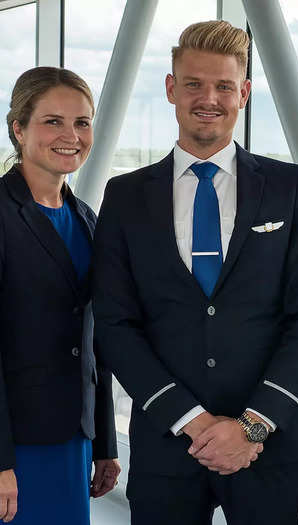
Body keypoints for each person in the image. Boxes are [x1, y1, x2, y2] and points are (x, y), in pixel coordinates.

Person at [92, 20, 298, 525]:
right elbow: (116, 324)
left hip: (269, 446)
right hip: (165, 445)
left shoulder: (289, 187)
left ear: (243, 93)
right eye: (195, 83)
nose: (210, 98)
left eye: (224, 86)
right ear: (171, 88)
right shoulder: (126, 196)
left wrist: (252, 426)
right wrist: (193, 421)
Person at [0, 66, 119, 525]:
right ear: (18, 128)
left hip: (74, 439)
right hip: (16, 446)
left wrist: (106, 442)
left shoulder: (87, 219)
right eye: (53, 121)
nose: (71, 135)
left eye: (82, 122)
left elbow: (96, 340)